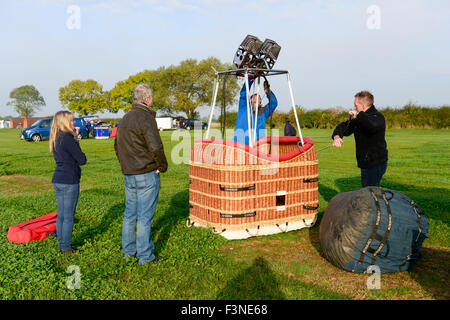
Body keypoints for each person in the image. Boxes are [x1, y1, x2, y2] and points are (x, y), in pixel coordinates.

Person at [114, 84, 168, 265]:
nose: (152, 100)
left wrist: (125, 166)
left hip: (129, 173)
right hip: (146, 173)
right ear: (147, 99)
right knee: (144, 217)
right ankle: (145, 255)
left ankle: (129, 251)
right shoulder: (146, 118)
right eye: (151, 97)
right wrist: (162, 166)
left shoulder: (124, 118)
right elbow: (155, 146)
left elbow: (117, 146)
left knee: (130, 215)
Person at [332, 91, 388, 187]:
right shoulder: (359, 118)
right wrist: (337, 137)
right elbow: (344, 127)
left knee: (370, 191)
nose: (354, 108)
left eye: (356, 105)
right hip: (364, 162)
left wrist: (359, 115)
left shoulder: (378, 117)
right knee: (368, 189)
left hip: (376, 162)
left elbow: (372, 127)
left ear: (363, 105)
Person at [49, 110, 87, 254]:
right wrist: (75, 138)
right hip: (69, 181)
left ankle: (62, 242)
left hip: (58, 179)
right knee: (68, 216)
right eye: (71, 121)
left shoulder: (56, 137)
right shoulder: (68, 138)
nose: (74, 123)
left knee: (62, 214)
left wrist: (74, 136)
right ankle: (65, 247)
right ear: (65, 122)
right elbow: (82, 160)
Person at [232, 78, 278, 145]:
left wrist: (268, 91)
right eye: (254, 99)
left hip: (257, 146)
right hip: (240, 145)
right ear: (250, 100)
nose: (257, 100)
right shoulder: (244, 107)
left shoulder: (263, 112)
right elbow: (243, 94)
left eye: (259, 100)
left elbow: (274, 103)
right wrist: (250, 79)